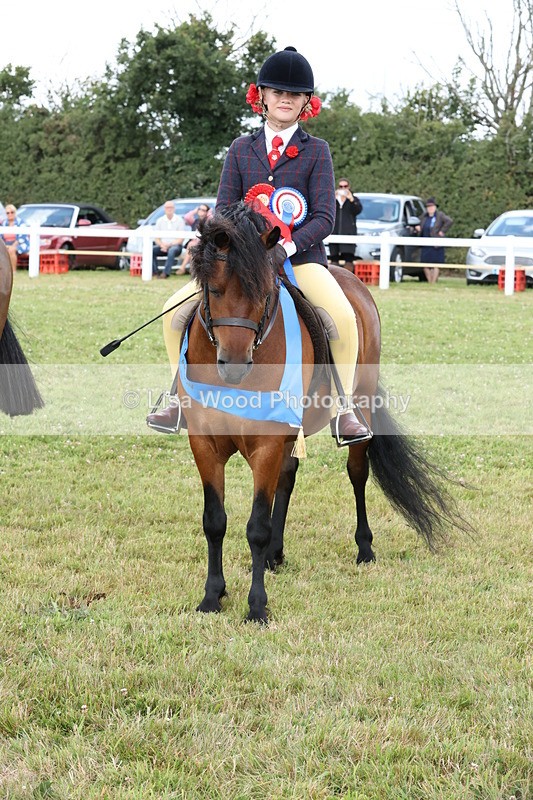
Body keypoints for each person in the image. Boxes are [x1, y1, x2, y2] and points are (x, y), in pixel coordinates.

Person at [147, 46, 371, 445]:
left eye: (295, 94)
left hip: (300, 260)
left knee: (342, 316)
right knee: (171, 311)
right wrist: (236, 251)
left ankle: (344, 407)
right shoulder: (240, 149)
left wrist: (284, 249)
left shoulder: (316, 150)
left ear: (306, 103)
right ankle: (178, 397)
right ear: (262, 96)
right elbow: (222, 212)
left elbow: (324, 217)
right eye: (277, 91)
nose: (286, 98)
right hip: (241, 265)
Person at [415, 197, 453, 283]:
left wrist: (442, 231)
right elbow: (417, 223)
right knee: (425, 265)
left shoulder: (440, 215)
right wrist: (417, 228)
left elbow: (449, 221)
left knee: (436, 264)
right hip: (425, 244)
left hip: (436, 244)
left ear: (435, 207)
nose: (430, 208)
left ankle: (434, 282)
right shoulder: (424, 216)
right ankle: (430, 282)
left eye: (432, 206)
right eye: (428, 207)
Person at [329, 178, 362, 267]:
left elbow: (358, 210)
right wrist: (332, 198)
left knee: (348, 261)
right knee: (334, 261)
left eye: (345, 186)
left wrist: (351, 199)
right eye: (341, 186)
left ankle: (348, 280)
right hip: (334, 233)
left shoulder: (353, 199)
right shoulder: (333, 199)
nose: (343, 188)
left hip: (348, 233)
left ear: (349, 187)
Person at [152, 200, 186, 279]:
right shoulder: (159, 221)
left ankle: (165, 273)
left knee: (172, 250)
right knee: (151, 250)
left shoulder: (180, 220)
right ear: (164, 209)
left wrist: (169, 245)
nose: (169, 209)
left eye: (171, 207)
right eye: (167, 207)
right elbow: (156, 238)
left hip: (175, 246)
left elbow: (181, 239)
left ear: (174, 209)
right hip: (162, 246)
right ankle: (155, 272)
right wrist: (161, 245)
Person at [175, 204, 211, 275]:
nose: (200, 211)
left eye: (203, 210)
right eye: (199, 209)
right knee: (191, 246)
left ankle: (183, 267)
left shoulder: (208, 221)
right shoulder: (195, 221)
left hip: (203, 243)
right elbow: (186, 217)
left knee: (191, 245)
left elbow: (212, 219)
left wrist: (209, 214)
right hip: (194, 244)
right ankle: (192, 270)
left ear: (207, 212)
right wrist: (194, 211)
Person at [0, 204, 30, 272]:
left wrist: (12, 246)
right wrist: (4, 246)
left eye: (12, 212)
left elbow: (21, 237)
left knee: (11, 250)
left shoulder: (21, 223)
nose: (10, 214)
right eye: (8, 213)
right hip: (6, 244)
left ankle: (13, 271)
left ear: (15, 213)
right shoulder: (4, 223)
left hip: (19, 244)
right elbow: (1, 237)